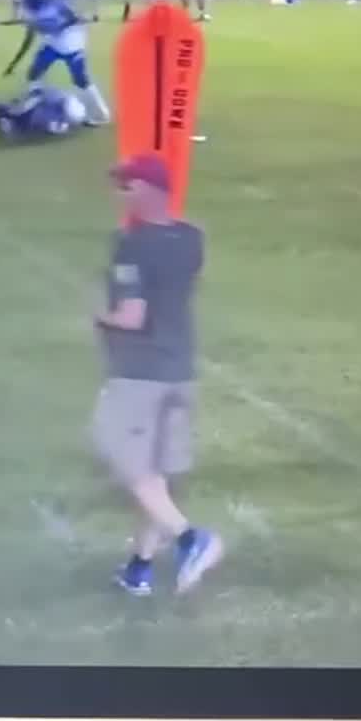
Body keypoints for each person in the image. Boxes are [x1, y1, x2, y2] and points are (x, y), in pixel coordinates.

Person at [94, 154, 224, 597]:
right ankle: (139, 569)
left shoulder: (130, 245)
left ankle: (191, 539)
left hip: (140, 374)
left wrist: (100, 315)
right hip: (180, 370)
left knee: (126, 460)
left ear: (148, 191)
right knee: (155, 478)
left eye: (127, 186)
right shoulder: (192, 238)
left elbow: (131, 317)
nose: (120, 194)